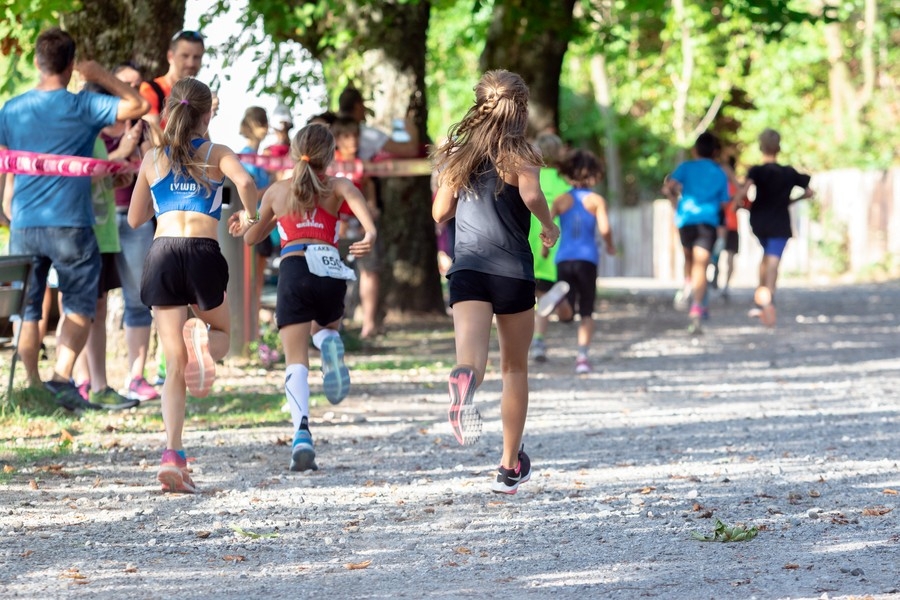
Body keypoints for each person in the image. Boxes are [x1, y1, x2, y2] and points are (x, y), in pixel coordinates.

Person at [0, 28, 149, 408]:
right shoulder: (82, 106)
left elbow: (5, 162)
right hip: (72, 225)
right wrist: (100, 75)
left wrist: (4, 206)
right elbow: (138, 106)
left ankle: (32, 385)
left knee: (28, 308)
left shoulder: (12, 109)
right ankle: (62, 379)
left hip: (25, 222)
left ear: (36, 61)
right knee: (80, 302)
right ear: (70, 66)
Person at [431, 69, 560, 494]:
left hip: (467, 269)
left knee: (472, 362)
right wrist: (548, 225)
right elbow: (532, 196)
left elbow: (439, 214)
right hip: (512, 273)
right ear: (521, 109)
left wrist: (449, 165)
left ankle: (463, 380)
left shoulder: (460, 156)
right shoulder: (522, 153)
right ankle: (508, 467)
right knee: (514, 368)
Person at [128, 77, 258, 493]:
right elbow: (248, 184)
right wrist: (249, 216)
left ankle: (172, 454)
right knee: (221, 332)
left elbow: (133, 219)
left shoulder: (152, 158)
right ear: (207, 114)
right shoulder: (217, 153)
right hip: (203, 251)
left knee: (172, 364)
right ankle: (203, 343)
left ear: (170, 113)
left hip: (163, 252)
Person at [235, 123, 376, 472]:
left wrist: (244, 220)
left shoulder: (277, 192)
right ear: (330, 156)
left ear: (295, 153)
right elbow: (367, 220)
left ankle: (301, 433)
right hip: (330, 270)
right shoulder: (338, 185)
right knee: (324, 327)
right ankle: (329, 339)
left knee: (295, 361)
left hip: (295, 270)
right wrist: (369, 234)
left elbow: (252, 238)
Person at [99, 64, 161, 402]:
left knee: (139, 298)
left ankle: (136, 376)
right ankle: (90, 380)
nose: (134, 90)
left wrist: (144, 144)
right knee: (94, 300)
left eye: (138, 85)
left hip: (136, 221)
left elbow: (160, 164)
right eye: (126, 85)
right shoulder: (95, 127)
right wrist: (118, 155)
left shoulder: (145, 127)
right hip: (100, 220)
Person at [68, 134, 139, 409]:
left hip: (104, 233)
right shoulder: (79, 135)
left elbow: (96, 178)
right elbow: (74, 178)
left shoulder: (96, 138)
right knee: (79, 308)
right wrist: (118, 153)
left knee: (98, 309)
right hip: (82, 234)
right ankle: (78, 381)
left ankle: (98, 384)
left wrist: (114, 177)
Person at [731, 128, 814, 327]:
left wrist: (735, 205)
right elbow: (809, 192)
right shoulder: (789, 173)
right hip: (779, 222)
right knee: (773, 262)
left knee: (766, 256)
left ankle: (761, 295)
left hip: (759, 221)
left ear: (761, 147)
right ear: (779, 147)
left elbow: (744, 191)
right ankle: (768, 300)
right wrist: (790, 201)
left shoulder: (756, 171)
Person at [546, 149, 616, 374]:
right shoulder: (596, 200)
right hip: (587, 259)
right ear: (594, 174)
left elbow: (548, 227)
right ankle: (582, 358)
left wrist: (545, 252)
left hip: (563, 258)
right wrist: (610, 245)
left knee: (567, 315)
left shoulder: (560, 200)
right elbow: (605, 229)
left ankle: (562, 302)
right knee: (587, 310)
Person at [661, 132, 729, 333]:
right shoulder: (719, 172)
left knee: (689, 259)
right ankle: (697, 307)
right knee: (702, 263)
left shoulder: (686, 167)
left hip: (685, 220)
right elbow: (725, 202)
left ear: (694, 150)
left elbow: (668, 188)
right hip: (707, 221)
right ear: (715, 151)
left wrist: (675, 202)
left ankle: (687, 285)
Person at [331, 115, 381, 338]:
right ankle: (333, 323)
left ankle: (368, 324)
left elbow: (368, 188)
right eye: (347, 137)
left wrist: (370, 210)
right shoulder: (330, 163)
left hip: (360, 228)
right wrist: (337, 220)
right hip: (335, 227)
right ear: (337, 139)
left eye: (356, 137)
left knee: (370, 270)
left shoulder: (362, 164)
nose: (353, 141)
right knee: (331, 273)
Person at [528, 132, 573, 363]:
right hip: (556, 247)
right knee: (545, 294)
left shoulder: (528, 178)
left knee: (533, 295)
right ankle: (539, 338)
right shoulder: (565, 183)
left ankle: (537, 340)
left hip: (529, 244)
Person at [139, 30, 214, 130]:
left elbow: (202, 141)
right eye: (185, 56)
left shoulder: (198, 93)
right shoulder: (150, 89)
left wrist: (206, 115)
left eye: (196, 57)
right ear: (170, 56)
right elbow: (152, 136)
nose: (191, 63)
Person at [237, 106, 272, 310]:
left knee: (257, 279)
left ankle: (254, 325)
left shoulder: (259, 158)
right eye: (262, 122)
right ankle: (250, 324)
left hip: (262, 222)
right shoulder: (247, 158)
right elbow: (247, 194)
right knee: (252, 280)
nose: (266, 127)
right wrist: (273, 188)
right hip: (253, 221)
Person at [337, 86, 419, 160]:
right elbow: (410, 150)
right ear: (357, 106)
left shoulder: (331, 132)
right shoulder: (367, 134)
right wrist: (412, 129)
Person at [709, 155, 741, 300]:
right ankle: (713, 278)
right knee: (714, 254)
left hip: (732, 225)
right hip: (718, 225)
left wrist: (734, 204)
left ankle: (726, 286)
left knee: (730, 256)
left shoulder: (735, 187)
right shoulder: (716, 184)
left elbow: (741, 198)